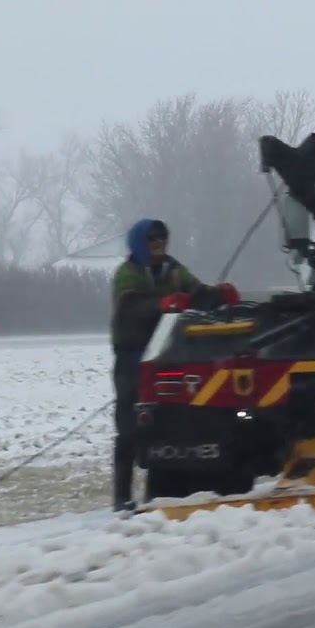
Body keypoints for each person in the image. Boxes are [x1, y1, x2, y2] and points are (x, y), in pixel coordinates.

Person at [110, 218, 240, 511]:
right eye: (152, 240)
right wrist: (162, 304)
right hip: (131, 360)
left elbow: (197, 292)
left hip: (166, 356)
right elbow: (131, 308)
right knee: (129, 427)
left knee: (169, 421)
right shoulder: (127, 275)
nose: (158, 245)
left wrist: (219, 294)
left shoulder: (173, 269)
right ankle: (121, 496)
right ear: (140, 244)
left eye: (162, 240)